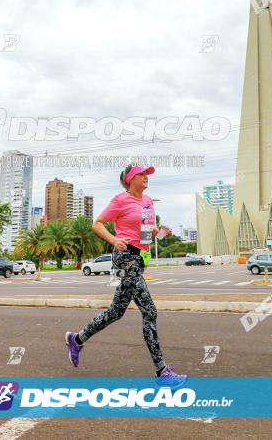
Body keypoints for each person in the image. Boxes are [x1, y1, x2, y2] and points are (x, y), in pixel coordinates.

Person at [65, 164, 186, 386]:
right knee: (149, 310)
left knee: (116, 311)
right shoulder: (120, 200)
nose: (146, 177)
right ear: (131, 179)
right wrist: (113, 239)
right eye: (142, 175)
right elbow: (97, 224)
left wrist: (155, 231)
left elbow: (146, 229)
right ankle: (162, 372)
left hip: (140, 259)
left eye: (147, 175)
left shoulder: (148, 201)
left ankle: (77, 339)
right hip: (125, 256)